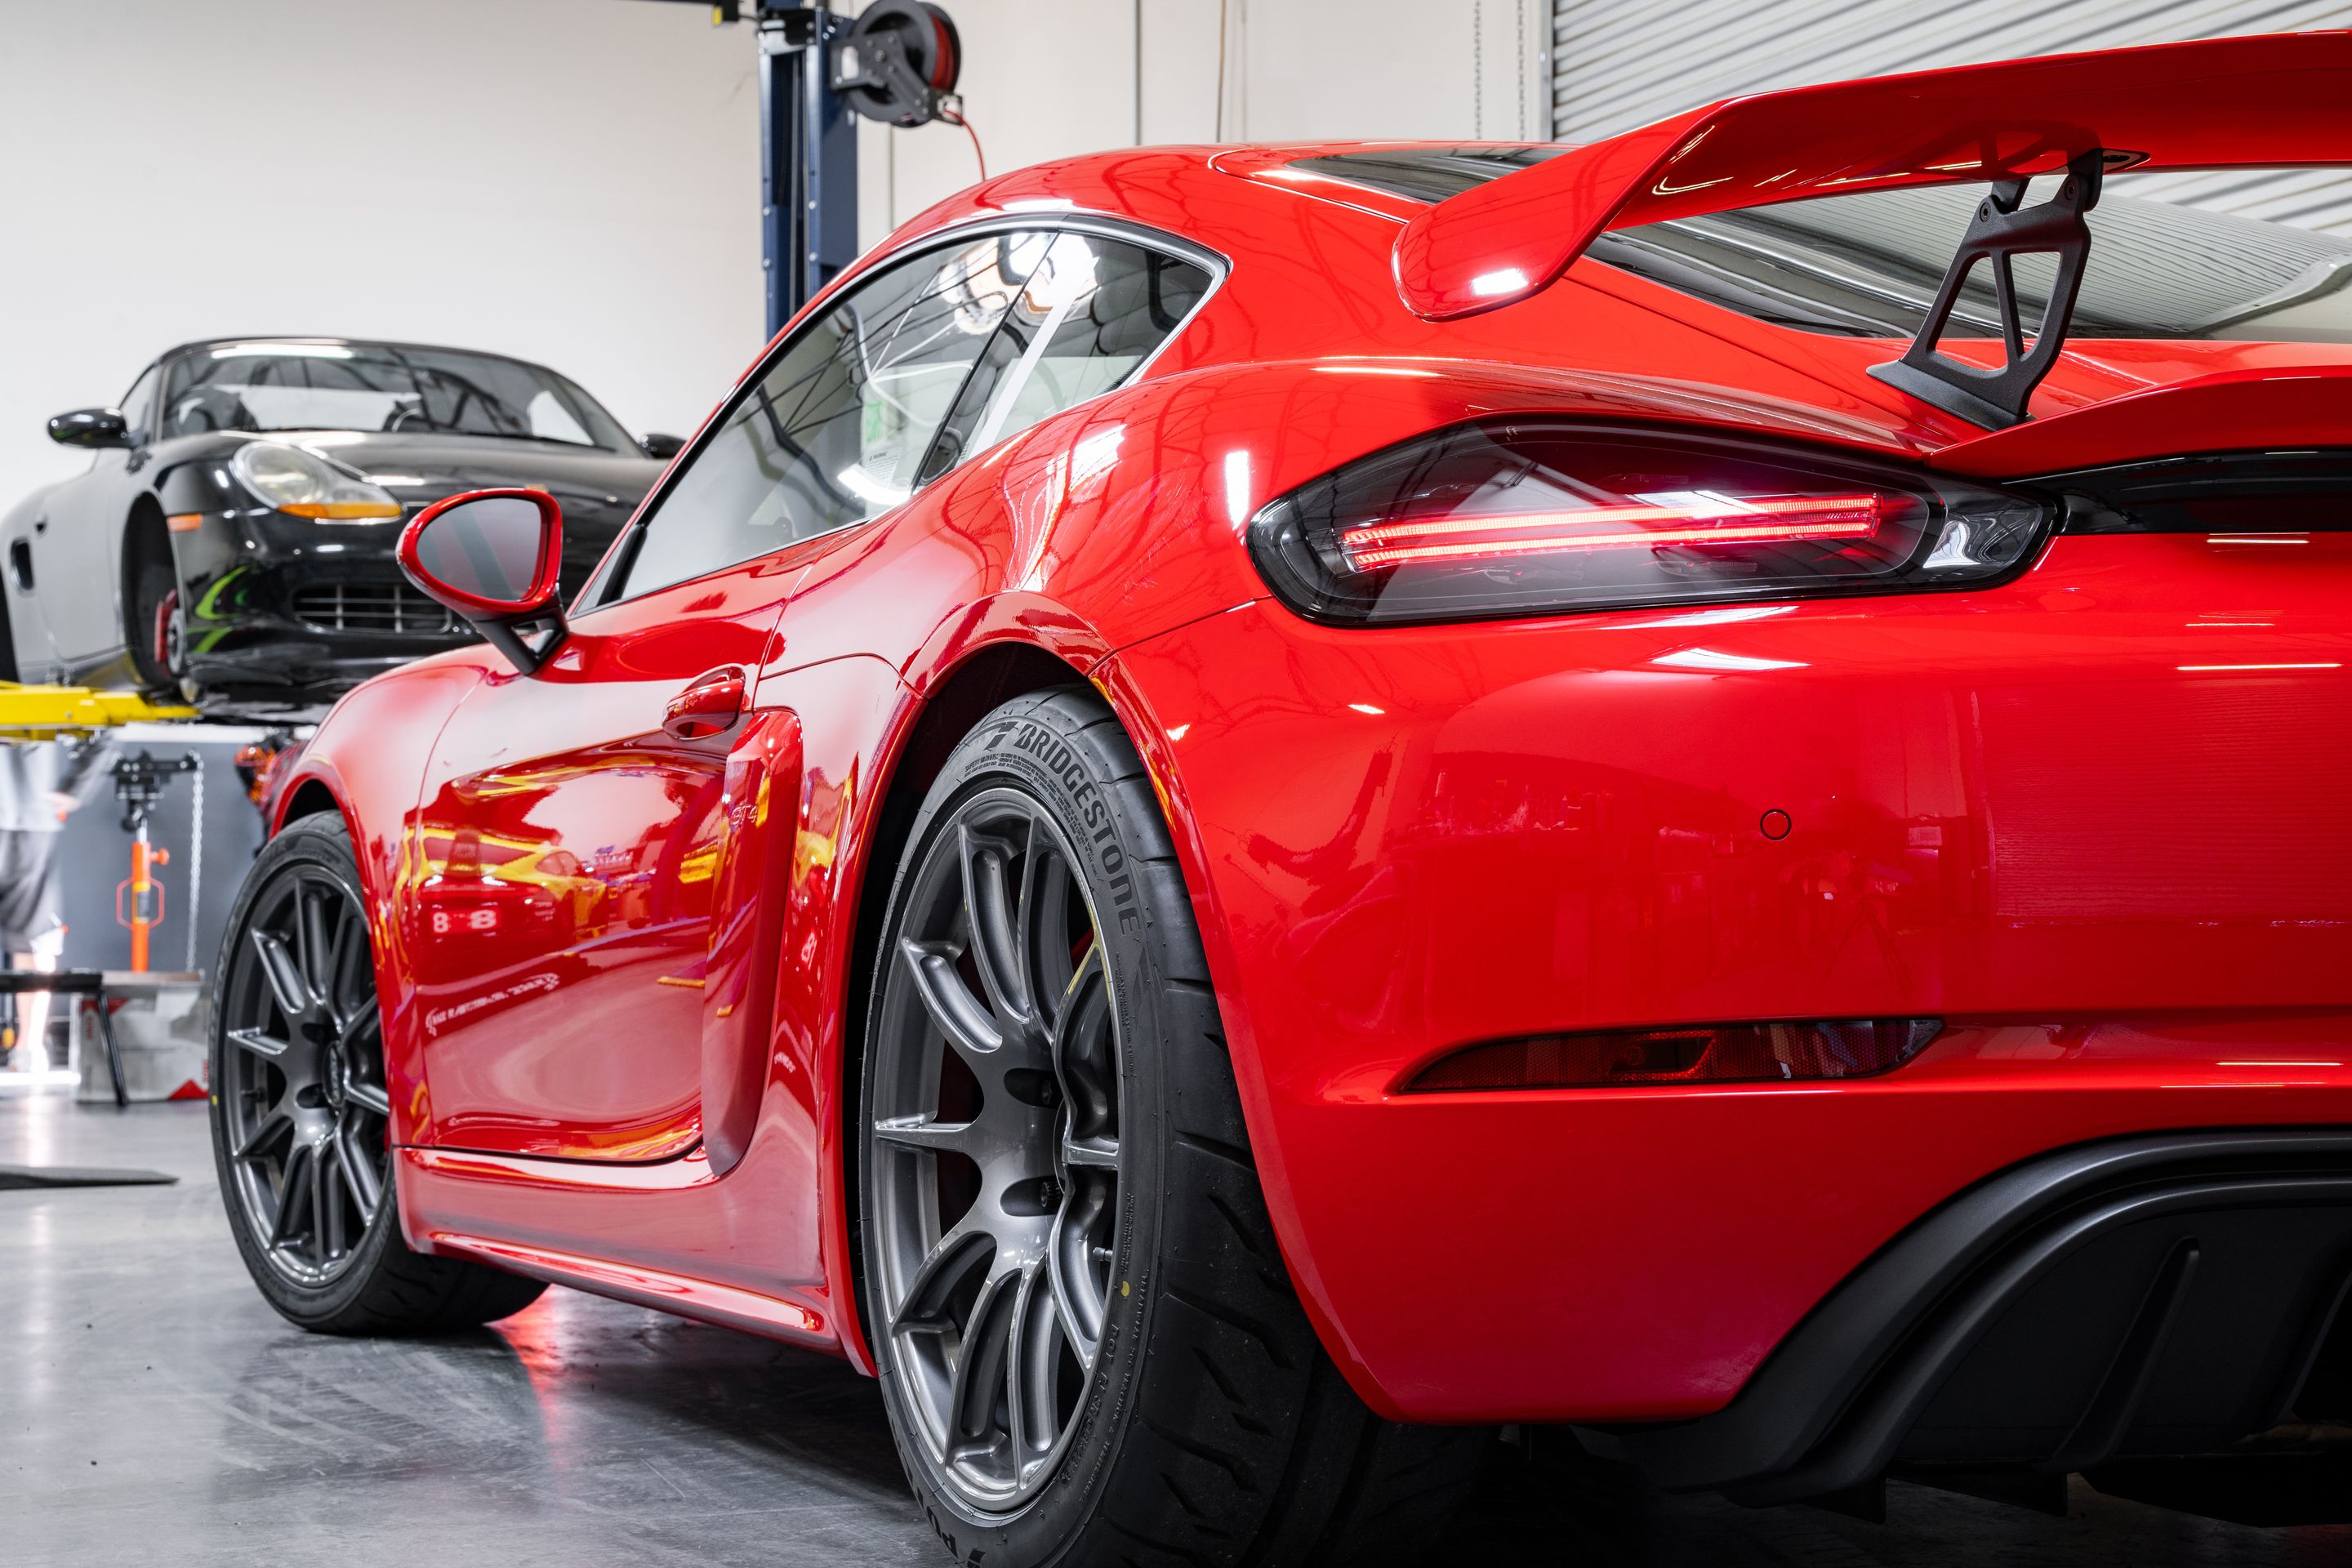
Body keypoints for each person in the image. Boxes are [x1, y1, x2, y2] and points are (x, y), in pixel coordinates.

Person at [0, 737, 107, 1071]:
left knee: (34, 938)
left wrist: (74, 787)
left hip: (28, 818)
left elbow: (102, 728)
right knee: (34, 938)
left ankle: (30, 1047)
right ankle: (29, 1048)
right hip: (30, 816)